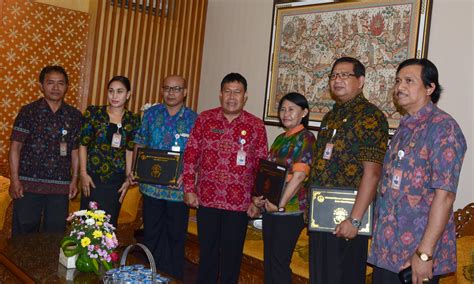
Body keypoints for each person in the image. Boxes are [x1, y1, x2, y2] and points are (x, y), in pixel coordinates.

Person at [368, 59, 467, 284]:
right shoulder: (405, 127)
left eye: (409, 81)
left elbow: (445, 195)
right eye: (398, 81)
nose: (399, 87)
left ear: (430, 88)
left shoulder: (443, 128)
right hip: (387, 250)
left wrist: (424, 254)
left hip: (417, 253)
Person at [309, 57, 389, 284]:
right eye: (334, 76)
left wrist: (354, 220)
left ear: (360, 81)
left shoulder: (371, 117)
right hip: (320, 216)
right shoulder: (330, 116)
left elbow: (372, 173)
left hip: (348, 218)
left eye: (345, 75)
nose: (338, 80)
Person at [183, 73, 268, 284]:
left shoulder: (256, 126)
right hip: (207, 199)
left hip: (239, 205)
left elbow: (261, 167)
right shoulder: (205, 119)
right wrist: (188, 189)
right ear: (220, 95)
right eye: (227, 91)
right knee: (208, 254)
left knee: (232, 258)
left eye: (237, 92)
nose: (232, 97)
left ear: (245, 96)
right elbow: (190, 155)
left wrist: (256, 201)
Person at [132, 75, 197, 280]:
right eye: (167, 88)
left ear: (184, 92)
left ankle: (172, 277)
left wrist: (189, 176)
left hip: (177, 192)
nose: (171, 92)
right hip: (151, 188)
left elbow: (198, 153)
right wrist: (136, 168)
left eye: (176, 89)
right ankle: (151, 277)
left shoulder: (194, 119)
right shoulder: (151, 114)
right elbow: (140, 142)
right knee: (151, 235)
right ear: (162, 90)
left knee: (175, 238)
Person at [9, 65, 83, 235]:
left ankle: (49, 263)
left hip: (60, 186)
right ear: (41, 85)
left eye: (60, 83)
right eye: (50, 83)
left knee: (55, 235)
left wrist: (74, 180)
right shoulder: (28, 112)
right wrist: (15, 180)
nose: (55, 87)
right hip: (27, 185)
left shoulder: (75, 116)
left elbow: (75, 151)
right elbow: (15, 148)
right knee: (23, 236)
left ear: (66, 87)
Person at [253, 92, 316, 284]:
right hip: (270, 209)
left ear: (303, 112)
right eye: (283, 109)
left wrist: (280, 204)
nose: (286, 113)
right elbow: (269, 174)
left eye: (291, 109)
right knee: (270, 263)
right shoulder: (280, 138)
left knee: (279, 263)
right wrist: (258, 198)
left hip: (289, 212)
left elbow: (299, 176)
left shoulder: (306, 138)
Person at [79, 76, 141, 227]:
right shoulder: (94, 112)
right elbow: (82, 144)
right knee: (87, 226)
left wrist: (128, 178)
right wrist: (83, 173)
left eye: (120, 91)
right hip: (92, 179)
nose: (114, 96)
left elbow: (129, 151)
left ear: (128, 95)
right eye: (111, 91)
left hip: (116, 182)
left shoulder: (133, 119)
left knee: (107, 227)